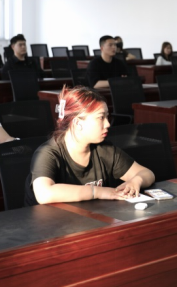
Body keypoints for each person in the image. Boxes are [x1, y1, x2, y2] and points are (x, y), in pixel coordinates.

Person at [26, 86, 155, 206]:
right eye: (101, 118)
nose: (108, 124)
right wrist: (97, 192)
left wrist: (136, 181)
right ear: (77, 123)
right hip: (50, 221)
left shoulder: (104, 149)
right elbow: (44, 194)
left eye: (107, 117)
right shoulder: (47, 153)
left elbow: (147, 173)